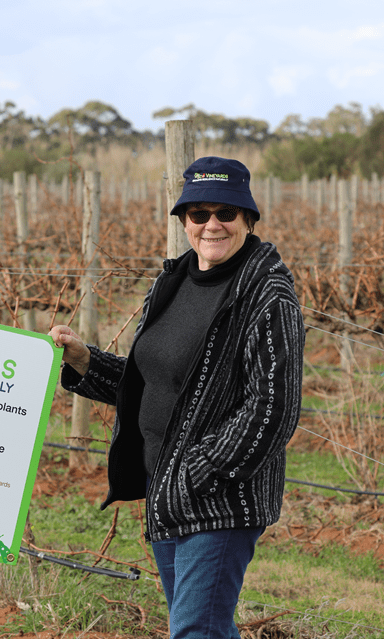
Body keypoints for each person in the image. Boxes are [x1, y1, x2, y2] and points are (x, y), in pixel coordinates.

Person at [49, 156, 304, 639]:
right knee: (202, 627)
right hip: (166, 492)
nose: (212, 225)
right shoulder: (173, 281)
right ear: (183, 220)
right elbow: (150, 382)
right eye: (198, 214)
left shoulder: (267, 295)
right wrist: (85, 361)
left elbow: (273, 411)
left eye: (226, 213)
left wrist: (195, 474)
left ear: (248, 219)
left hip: (219, 501)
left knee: (194, 631)